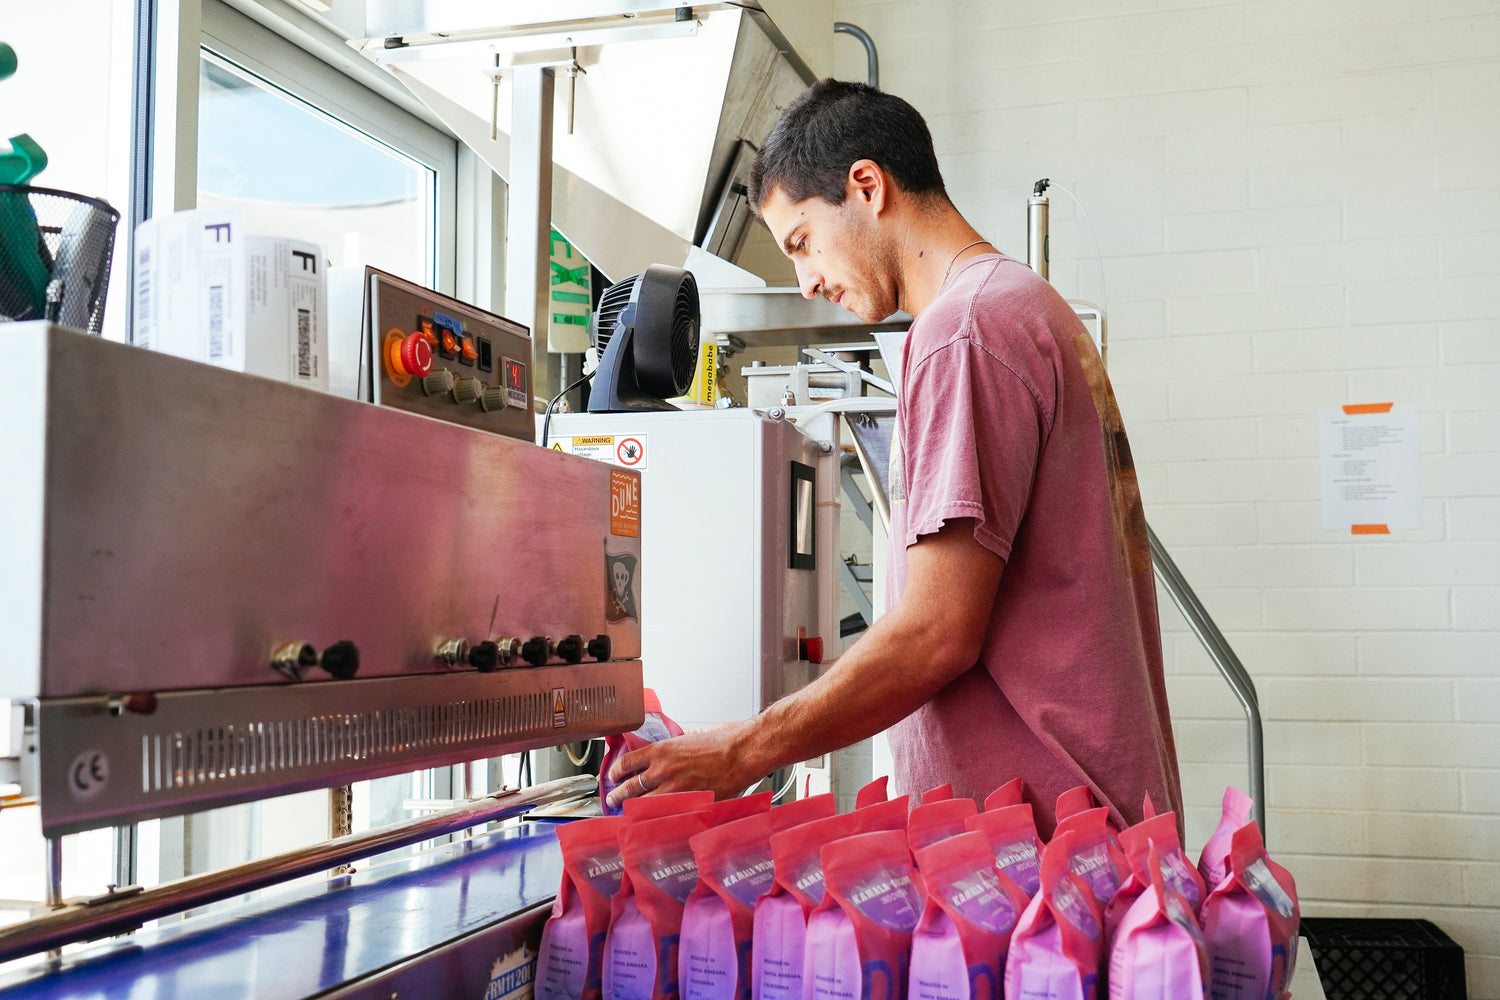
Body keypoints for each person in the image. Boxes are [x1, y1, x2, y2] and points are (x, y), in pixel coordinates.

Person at [605, 79, 1182, 837]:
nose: (806, 280)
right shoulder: (1028, 307)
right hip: (1081, 829)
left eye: (802, 241)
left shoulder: (963, 332)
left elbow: (936, 632)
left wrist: (743, 749)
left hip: (1041, 842)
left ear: (867, 186)